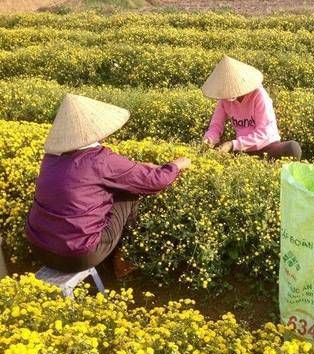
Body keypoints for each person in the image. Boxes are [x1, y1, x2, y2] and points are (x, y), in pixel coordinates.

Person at [26, 94, 191, 277]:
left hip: (38, 248)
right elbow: (153, 181)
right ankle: (123, 259)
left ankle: (113, 257)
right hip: (77, 256)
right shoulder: (99, 159)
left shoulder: (50, 158)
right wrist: (176, 165)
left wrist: (138, 167)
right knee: (129, 193)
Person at [202, 55, 301, 160]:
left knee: (292, 148)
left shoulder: (259, 96)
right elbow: (215, 126)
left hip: (267, 146)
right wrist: (209, 140)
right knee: (216, 154)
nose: (229, 93)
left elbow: (263, 133)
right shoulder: (224, 99)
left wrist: (233, 144)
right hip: (243, 149)